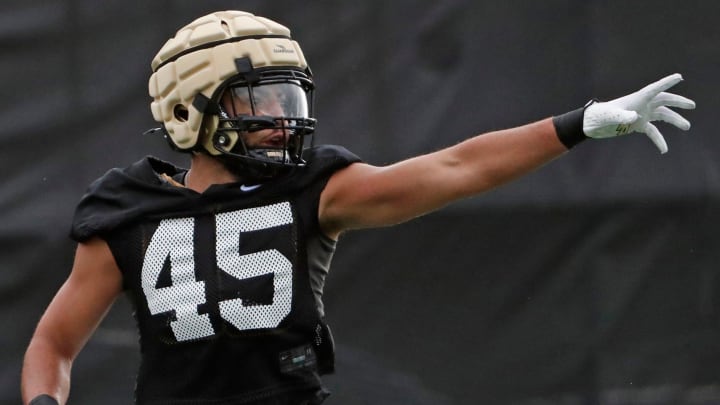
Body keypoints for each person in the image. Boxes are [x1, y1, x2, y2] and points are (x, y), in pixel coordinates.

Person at [20, 9, 696, 405]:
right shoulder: (128, 210)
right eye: (260, 103)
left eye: (291, 100)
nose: (284, 121)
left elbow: (455, 167)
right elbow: (54, 341)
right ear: (186, 112)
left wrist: (578, 123)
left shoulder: (315, 189)